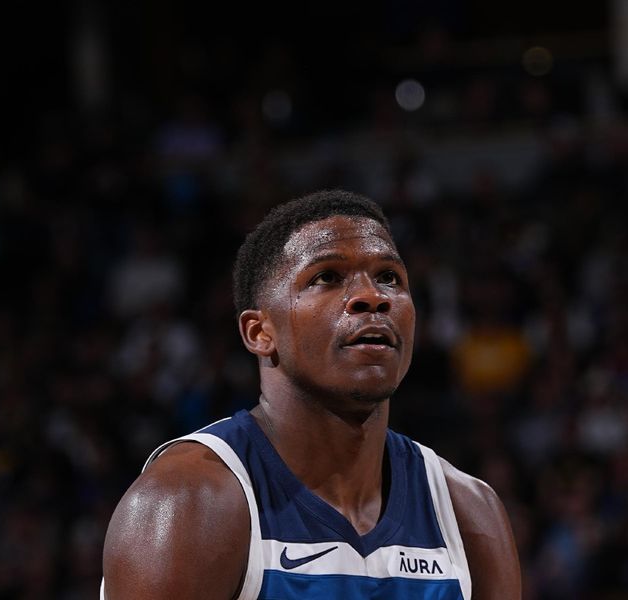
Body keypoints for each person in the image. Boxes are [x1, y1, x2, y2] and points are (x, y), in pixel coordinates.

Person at [101, 190, 521, 599]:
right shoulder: (188, 503)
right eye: (327, 277)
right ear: (260, 333)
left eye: (389, 278)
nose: (372, 297)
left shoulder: (468, 511)